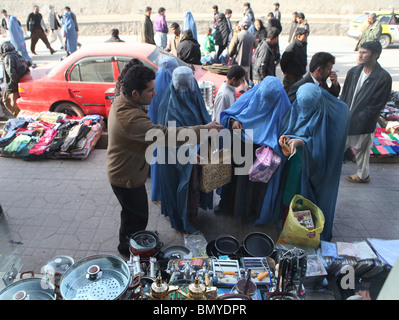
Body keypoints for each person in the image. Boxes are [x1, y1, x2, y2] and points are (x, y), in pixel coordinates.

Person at [107, 64, 222, 256]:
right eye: (150, 90)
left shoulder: (124, 101)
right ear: (135, 93)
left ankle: (134, 241)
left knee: (132, 213)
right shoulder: (130, 119)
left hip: (128, 171)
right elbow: (167, 135)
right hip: (126, 177)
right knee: (136, 216)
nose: (155, 93)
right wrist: (205, 129)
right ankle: (130, 251)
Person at [278, 83, 350, 241]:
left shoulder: (334, 113)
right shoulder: (298, 106)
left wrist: (302, 142)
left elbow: (326, 146)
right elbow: (290, 126)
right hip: (295, 166)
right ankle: (290, 229)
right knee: (292, 198)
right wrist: (287, 138)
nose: (304, 113)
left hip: (317, 169)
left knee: (310, 203)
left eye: (309, 109)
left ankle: (308, 235)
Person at [219, 77, 291, 224]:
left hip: (263, 155)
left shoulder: (284, 107)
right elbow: (231, 113)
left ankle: (249, 215)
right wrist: (234, 121)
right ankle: (233, 210)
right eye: (263, 98)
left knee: (255, 188)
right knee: (237, 182)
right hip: (242, 145)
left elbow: (286, 132)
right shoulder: (251, 95)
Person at [341, 41, 392, 183]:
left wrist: (358, 119)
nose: (361, 55)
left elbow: (376, 105)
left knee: (362, 151)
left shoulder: (383, 78)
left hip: (363, 123)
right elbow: (345, 95)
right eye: (360, 52)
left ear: (375, 55)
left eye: (365, 52)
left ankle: (363, 175)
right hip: (347, 119)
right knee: (338, 146)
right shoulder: (354, 72)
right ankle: (329, 169)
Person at [147, 57, 179, 204]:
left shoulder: (154, 84)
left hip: (153, 129)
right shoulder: (170, 84)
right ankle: (160, 195)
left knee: (156, 160)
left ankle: (156, 194)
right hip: (166, 131)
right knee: (163, 162)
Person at [0, 42, 30, 118]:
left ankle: (19, 117)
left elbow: (11, 73)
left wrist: (15, 83)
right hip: (17, 84)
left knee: (10, 103)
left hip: (11, 86)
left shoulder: (8, 58)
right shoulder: (18, 55)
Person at [280, 27, 309, 93]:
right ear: (299, 36)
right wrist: (284, 70)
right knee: (287, 92)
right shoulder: (292, 47)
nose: (306, 38)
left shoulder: (303, 45)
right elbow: (283, 61)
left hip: (299, 74)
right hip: (291, 76)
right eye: (304, 36)